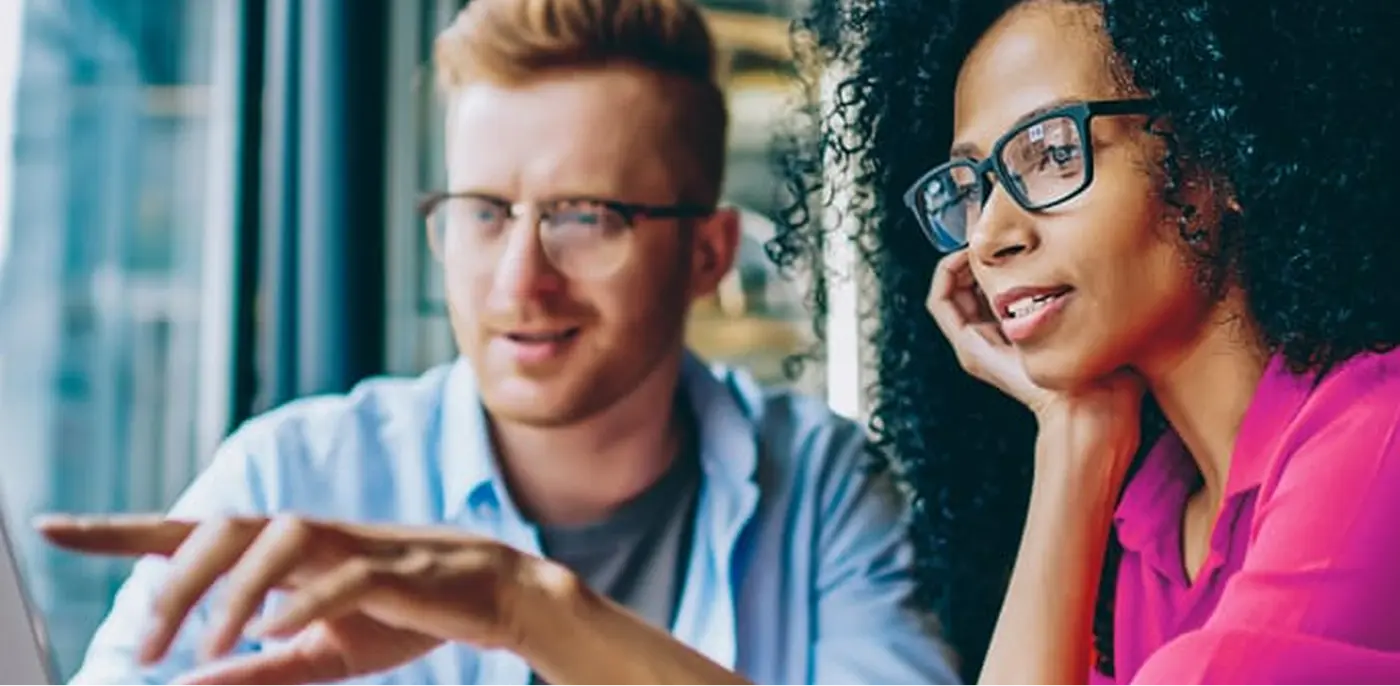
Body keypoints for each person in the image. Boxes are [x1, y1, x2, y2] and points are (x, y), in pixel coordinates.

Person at [42, 0, 960, 685]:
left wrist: (529, 612)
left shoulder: (820, 486)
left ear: (707, 254)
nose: (520, 280)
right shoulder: (291, 478)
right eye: (483, 212)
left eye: (585, 218)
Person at [770, 0, 1400, 684]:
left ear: (1213, 159)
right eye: (971, 186)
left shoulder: (1379, 435)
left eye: (1050, 154)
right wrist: (1074, 435)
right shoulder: (1147, 536)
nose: (988, 235)